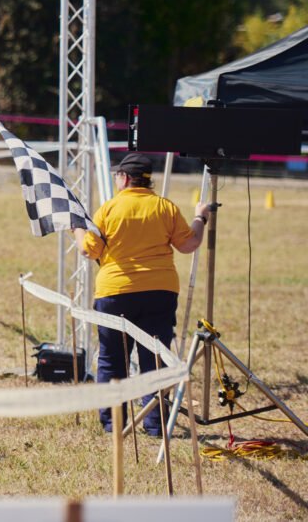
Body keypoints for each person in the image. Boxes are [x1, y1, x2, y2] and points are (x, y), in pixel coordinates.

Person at [72, 152, 208, 436]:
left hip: (115, 291)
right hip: (160, 291)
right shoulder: (165, 207)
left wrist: (77, 229)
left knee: (112, 359)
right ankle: (155, 424)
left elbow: (89, 250)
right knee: (155, 359)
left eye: (117, 176)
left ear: (124, 178)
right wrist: (200, 217)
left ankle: (114, 424)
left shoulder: (109, 209)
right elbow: (189, 244)